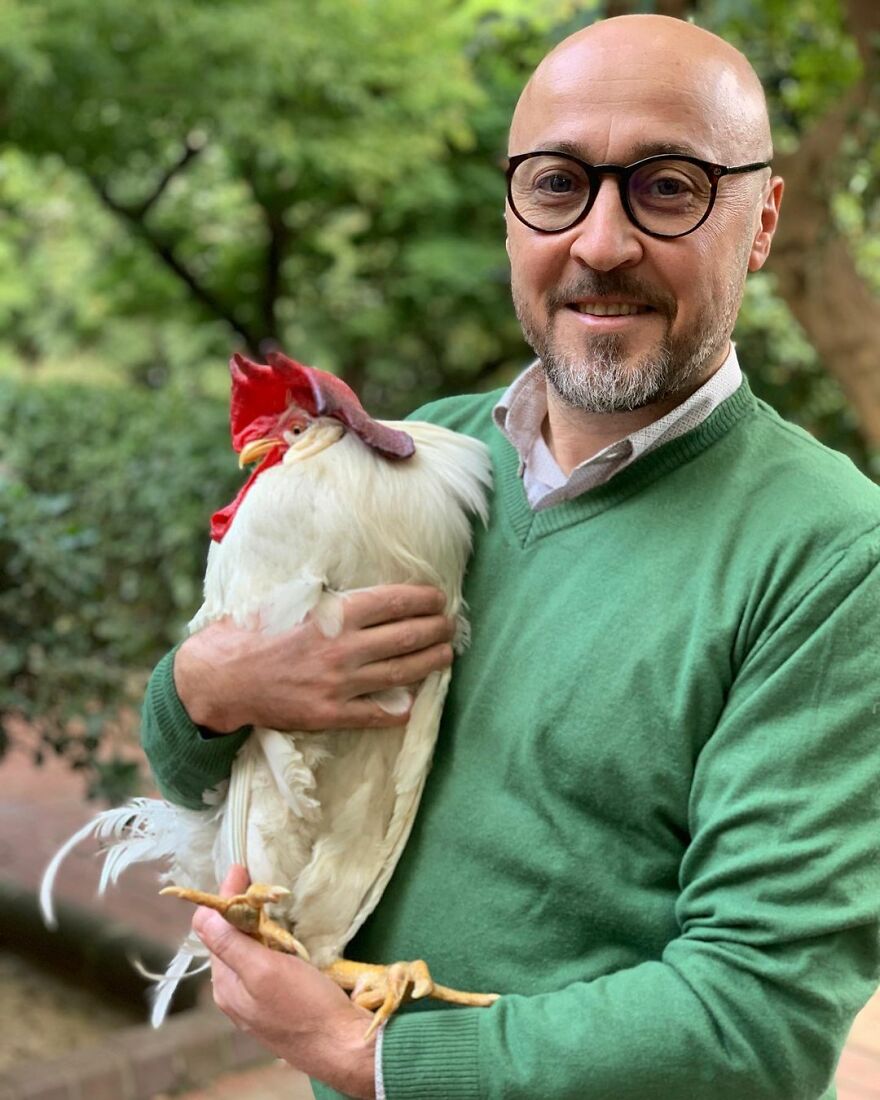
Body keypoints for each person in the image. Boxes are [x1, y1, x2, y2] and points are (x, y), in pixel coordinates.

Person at [141, 13, 880, 1100]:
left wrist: (370, 1055)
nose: (600, 241)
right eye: (555, 183)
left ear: (760, 220)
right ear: (508, 212)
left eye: (668, 186)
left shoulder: (830, 554)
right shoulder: (424, 459)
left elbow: (753, 1018)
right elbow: (214, 763)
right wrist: (200, 691)